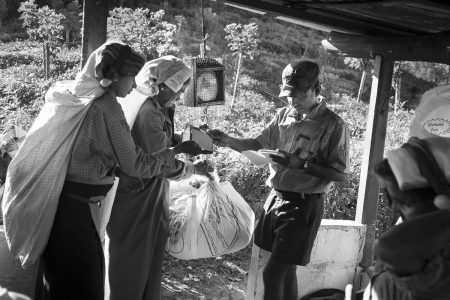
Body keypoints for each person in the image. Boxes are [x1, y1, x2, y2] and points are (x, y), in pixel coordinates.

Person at [9, 42, 204, 300]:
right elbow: (136, 164)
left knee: (59, 280)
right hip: (78, 213)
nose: (135, 86)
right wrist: (177, 152)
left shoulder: (79, 94)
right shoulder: (108, 107)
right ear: (114, 76)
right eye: (131, 78)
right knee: (83, 285)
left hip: (60, 203)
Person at [208, 60, 350, 299]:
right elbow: (256, 144)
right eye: (288, 96)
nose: (293, 101)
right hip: (276, 198)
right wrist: (227, 140)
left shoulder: (333, 125)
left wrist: (301, 165)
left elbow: (340, 174)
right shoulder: (284, 114)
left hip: (303, 204)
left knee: (273, 273)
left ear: (317, 89)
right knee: (286, 270)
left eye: (300, 96)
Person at [105, 56, 212, 300]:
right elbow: (160, 163)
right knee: (130, 265)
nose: (182, 92)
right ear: (161, 85)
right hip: (135, 197)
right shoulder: (148, 113)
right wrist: (193, 170)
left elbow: (165, 145)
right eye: (179, 87)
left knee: (149, 261)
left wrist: (184, 143)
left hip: (151, 195)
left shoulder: (159, 107)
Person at [351, 137, 450, 300]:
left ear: (442, 200)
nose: (393, 208)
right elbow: (391, 286)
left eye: (403, 203)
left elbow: (389, 249)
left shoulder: (439, 253)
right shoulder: (411, 228)